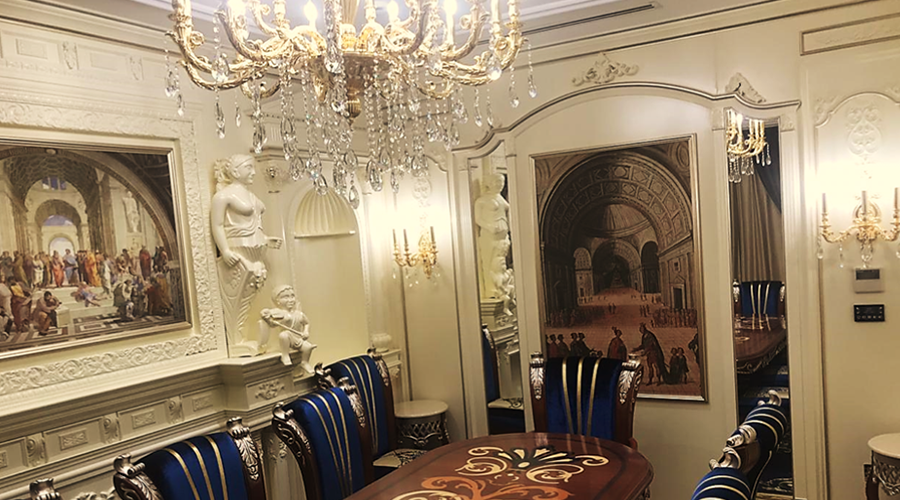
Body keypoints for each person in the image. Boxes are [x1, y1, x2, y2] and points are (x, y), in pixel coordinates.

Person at [211, 154, 282, 349]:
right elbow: (217, 225)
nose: (253, 172)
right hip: (238, 254)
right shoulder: (223, 196)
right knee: (236, 299)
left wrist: (266, 240)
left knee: (250, 295)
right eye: (248, 168)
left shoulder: (252, 196)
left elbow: (255, 224)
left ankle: (241, 338)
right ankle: (237, 339)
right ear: (235, 171)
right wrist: (225, 250)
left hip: (256, 254)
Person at [259, 285, 317, 370]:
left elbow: (306, 323)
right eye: (286, 297)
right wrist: (266, 315)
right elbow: (271, 322)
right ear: (278, 301)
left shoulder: (299, 314)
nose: (290, 300)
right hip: (288, 338)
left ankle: (304, 362)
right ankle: (285, 355)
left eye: (292, 296)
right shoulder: (280, 313)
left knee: (308, 347)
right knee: (284, 335)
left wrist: (306, 332)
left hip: (298, 338)